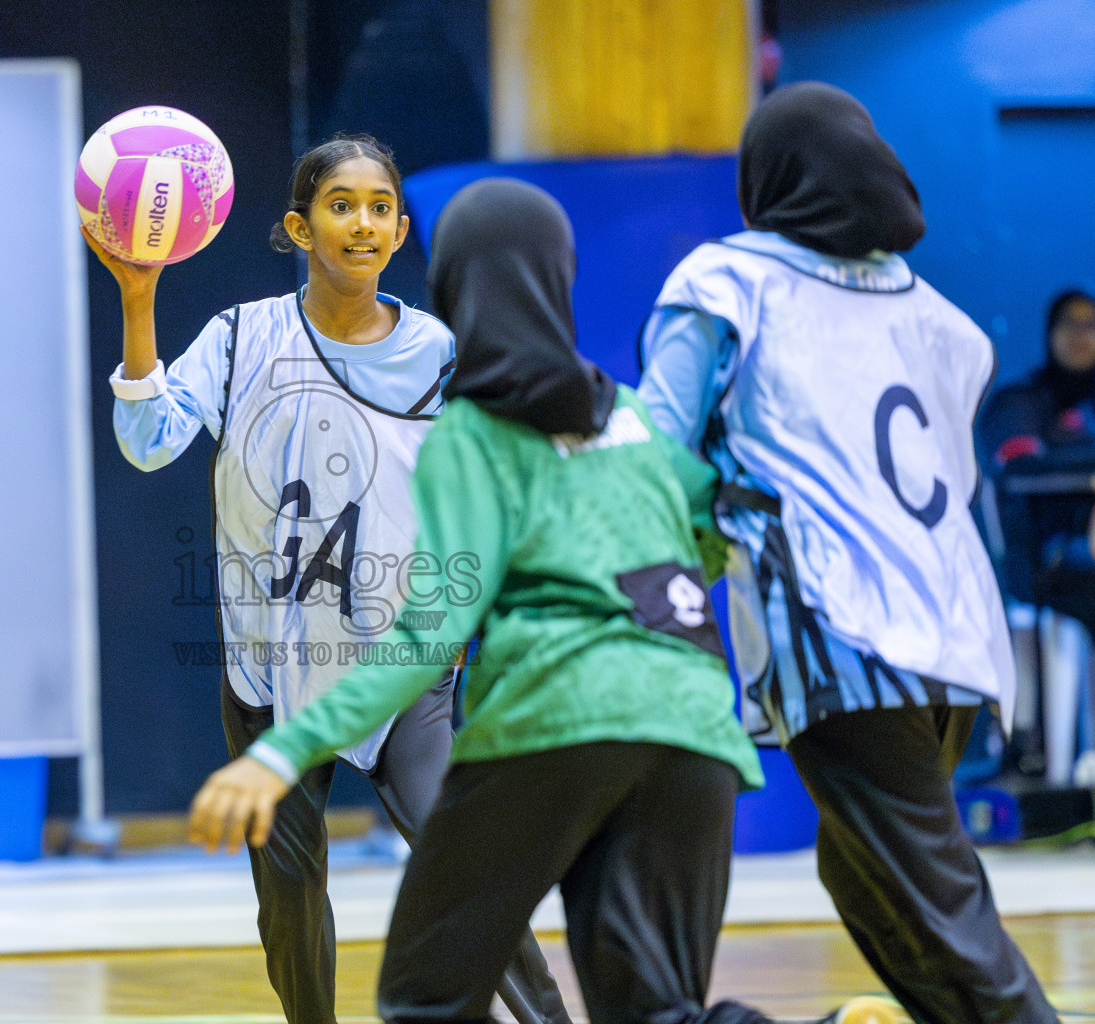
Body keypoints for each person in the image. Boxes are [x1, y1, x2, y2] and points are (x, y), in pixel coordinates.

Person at [188, 177, 899, 1024]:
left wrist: (279, 752)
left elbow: (430, 631)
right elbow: (718, 533)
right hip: (697, 729)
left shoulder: (474, 436)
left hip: (561, 719)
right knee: (650, 1010)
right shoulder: (632, 419)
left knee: (423, 995)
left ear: (451, 282)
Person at [84, 136, 567, 1024]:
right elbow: (147, 444)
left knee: (465, 865)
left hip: (405, 669)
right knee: (291, 900)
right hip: (270, 675)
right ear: (300, 228)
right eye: (341, 205)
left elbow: (498, 483)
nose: (363, 223)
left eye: (380, 207)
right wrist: (139, 299)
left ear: (400, 229)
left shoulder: (439, 354)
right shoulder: (240, 338)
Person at [637, 82, 1058, 1024]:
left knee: (940, 905)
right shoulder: (943, 319)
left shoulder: (727, 281)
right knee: (870, 876)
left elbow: (654, 456)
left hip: (841, 627)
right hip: (957, 642)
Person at [979, 289, 1095, 636]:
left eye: (1090, 326)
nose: (1079, 335)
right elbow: (1019, 470)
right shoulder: (1019, 404)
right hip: (1043, 567)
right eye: (1069, 324)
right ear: (1049, 332)